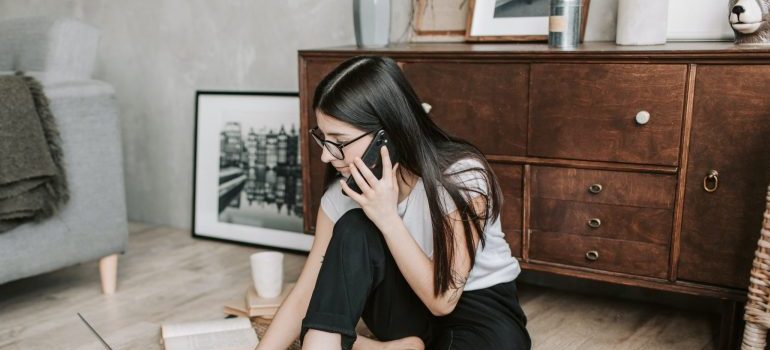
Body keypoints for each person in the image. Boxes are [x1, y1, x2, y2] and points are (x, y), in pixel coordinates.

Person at [257, 56, 531, 350]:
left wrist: (386, 216)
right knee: (354, 224)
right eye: (323, 138)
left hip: (476, 309)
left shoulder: (462, 178)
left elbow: (443, 301)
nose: (326, 155)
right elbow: (305, 296)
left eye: (339, 139)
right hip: (402, 312)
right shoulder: (341, 195)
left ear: (386, 135)